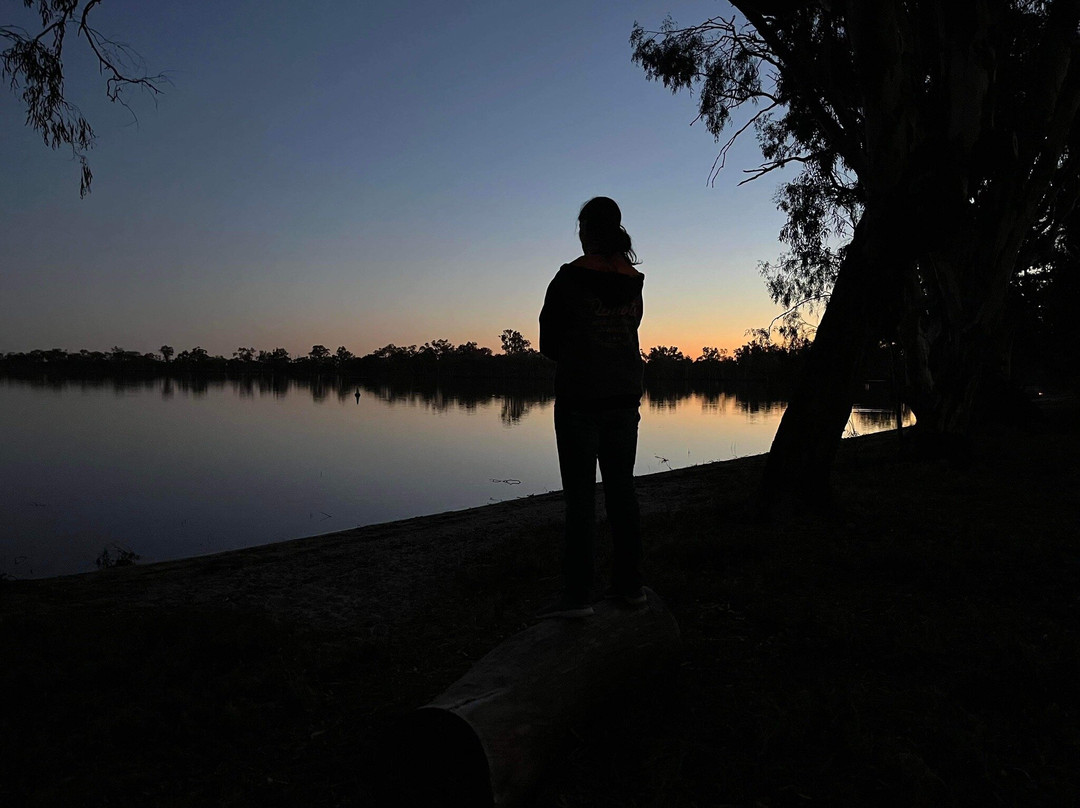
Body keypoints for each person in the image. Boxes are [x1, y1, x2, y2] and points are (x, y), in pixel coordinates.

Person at [537, 196, 646, 618]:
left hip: (580, 400)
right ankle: (630, 587)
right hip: (623, 398)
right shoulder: (632, 280)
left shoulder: (567, 279)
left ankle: (579, 596)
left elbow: (549, 345)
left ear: (588, 231)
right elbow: (630, 331)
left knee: (580, 499)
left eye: (581, 229)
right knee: (623, 493)